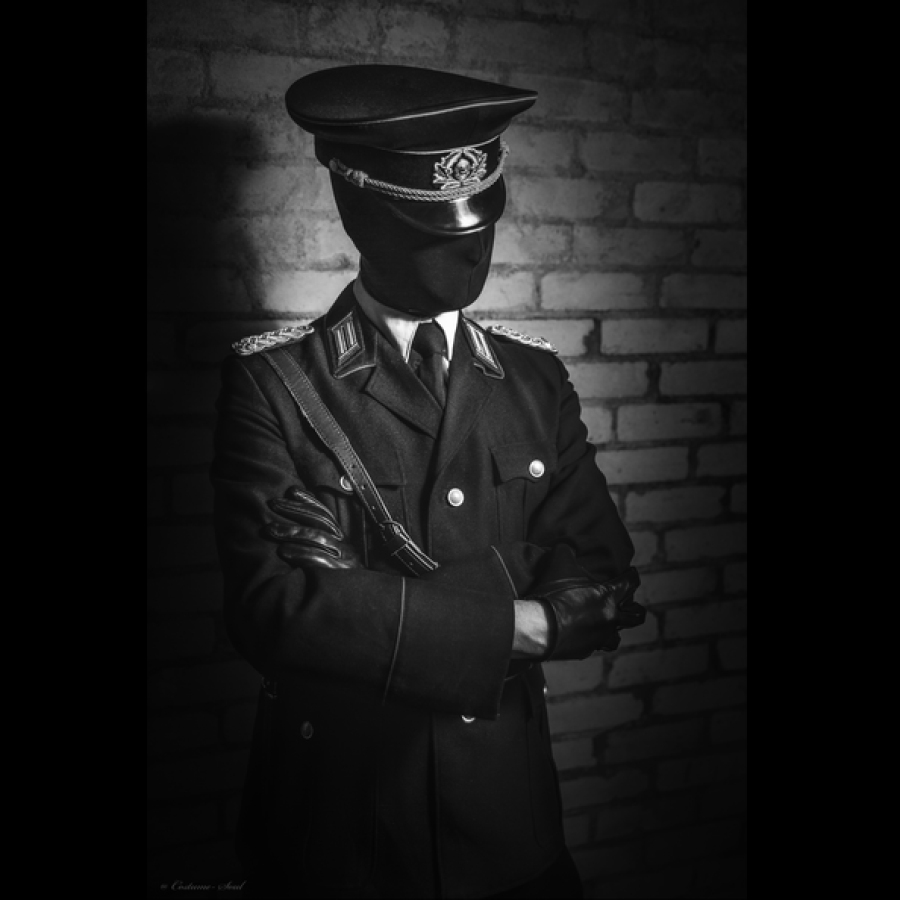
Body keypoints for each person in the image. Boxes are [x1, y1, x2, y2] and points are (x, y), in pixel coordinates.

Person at [210, 64, 646, 900]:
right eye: (433, 228)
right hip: (340, 834)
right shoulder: (275, 384)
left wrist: (361, 598)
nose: (472, 247)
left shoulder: (534, 380)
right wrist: (527, 613)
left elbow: (604, 582)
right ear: (361, 212)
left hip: (511, 828)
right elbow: (274, 613)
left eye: (483, 222)